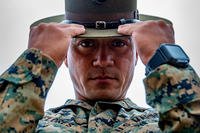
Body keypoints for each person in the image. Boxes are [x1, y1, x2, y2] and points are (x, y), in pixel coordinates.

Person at [0, 0, 200, 132]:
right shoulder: (36, 126)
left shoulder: (163, 124)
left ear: (137, 54)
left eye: (118, 43)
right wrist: (34, 62)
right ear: (65, 57)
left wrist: (166, 61)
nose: (103, 60)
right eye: (86, 44)